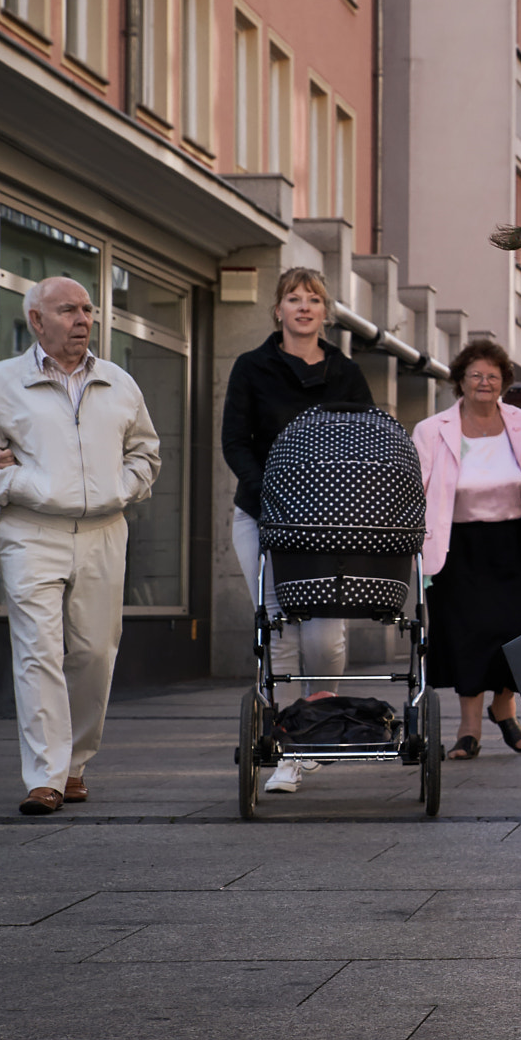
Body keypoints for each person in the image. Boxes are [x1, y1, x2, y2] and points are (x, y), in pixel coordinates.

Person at [0, 276, 160, 816]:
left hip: (104, 532)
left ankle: (75, 765)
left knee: (94, 652)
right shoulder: (0, 383)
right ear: (37, 321)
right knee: (38, 652)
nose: (83, 319)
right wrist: (26, 486)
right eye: (68, 310)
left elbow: (147, 454)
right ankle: (44, 776)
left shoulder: (118, 382)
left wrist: (122, 488)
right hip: (31, 531)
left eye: (88, 310)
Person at [219, 267, 373, 794]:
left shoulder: (346, 372)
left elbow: (366, 440)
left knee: (325, 636)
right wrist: (271, 493)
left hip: (330, 522)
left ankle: (316, 726)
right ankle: (287, 749)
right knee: (279, 629)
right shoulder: (251, 367)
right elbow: (235, 441)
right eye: (293, 298)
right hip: (261, 514)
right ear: (278, 310)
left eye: (313, 299)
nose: (303, 307)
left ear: (324, 312)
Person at [415, 339, 521, 761]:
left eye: (492, 376)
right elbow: (418, 490)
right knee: (464, 635)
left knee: (513, 631)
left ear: (504, 382)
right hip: (456, 546)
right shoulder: (432, 430)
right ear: (460, 382)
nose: (484, 382)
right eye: (475, 375)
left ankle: (503, 706)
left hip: (511, 543)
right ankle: (468, 727)